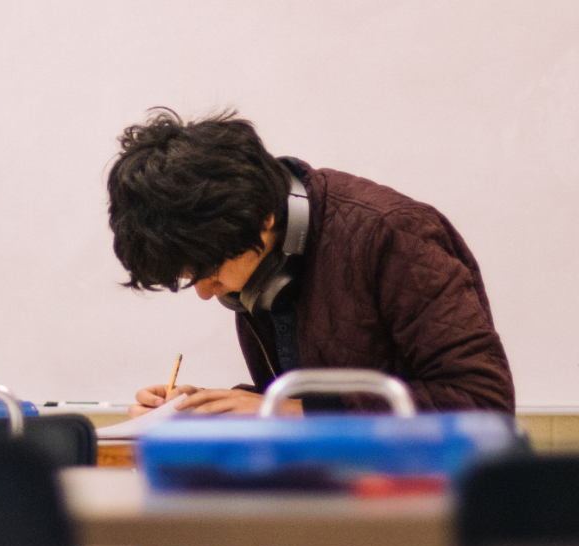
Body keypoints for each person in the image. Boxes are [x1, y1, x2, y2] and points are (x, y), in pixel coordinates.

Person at [107, 109, 514, 417]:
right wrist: (207, 411)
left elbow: (482, 403)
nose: (204, 293)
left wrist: (292, 413)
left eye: (208, 272)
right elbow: (311, 395)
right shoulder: (264, 262)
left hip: (418, 507)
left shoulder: (393, 233)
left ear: (262, 220)